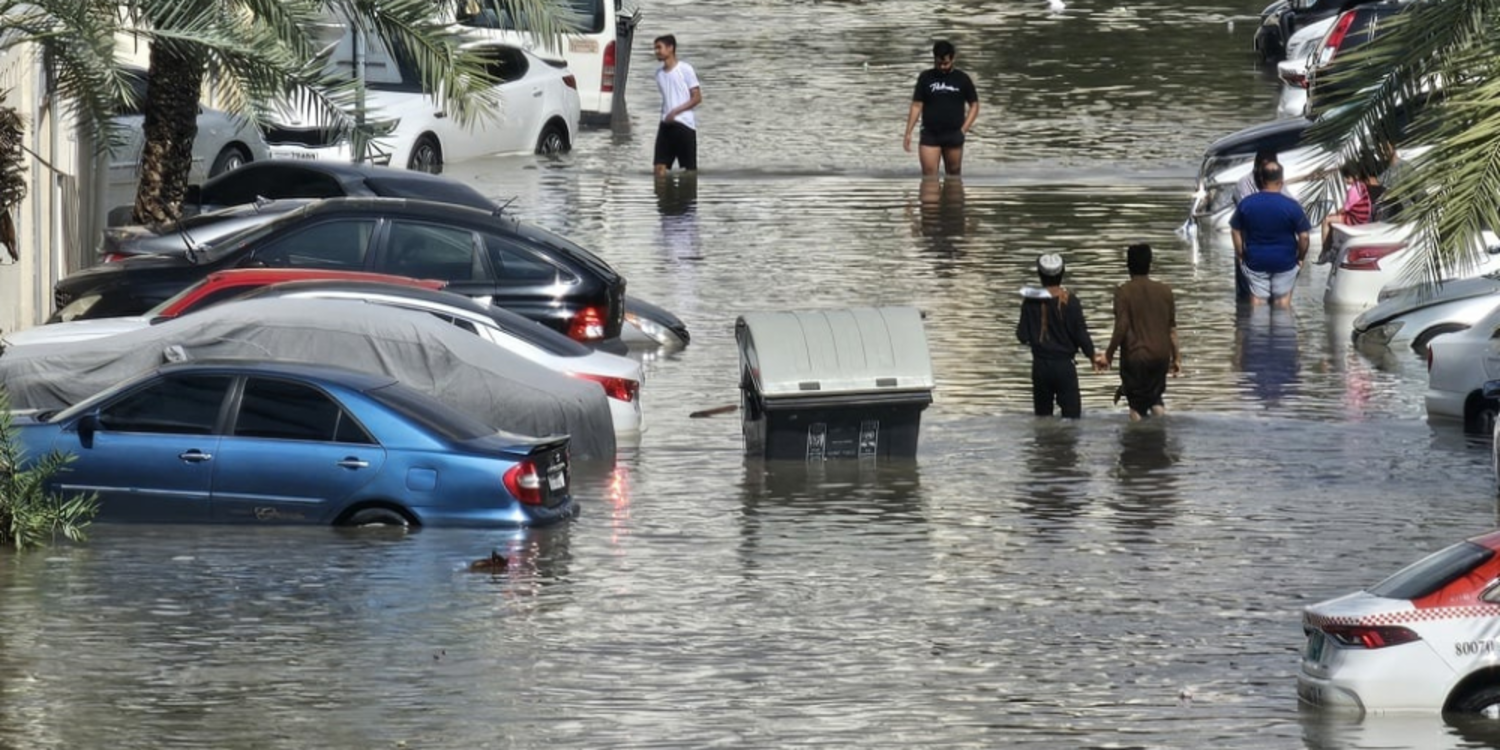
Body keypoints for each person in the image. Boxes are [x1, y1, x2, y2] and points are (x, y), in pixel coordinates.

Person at [1017, 253, 1107, 419]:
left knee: (1043, 419)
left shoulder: (1030, 302)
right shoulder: (1071, 301)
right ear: (1062, 272)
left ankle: (1045, 445)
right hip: (1065, 366)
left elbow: (1022, 335)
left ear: (1040, 275)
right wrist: (1093, 356)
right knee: (1072, 418)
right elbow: (1081, 334)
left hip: (1040, 366)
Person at [1104, 243, 1179, 421]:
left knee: (1136, 405)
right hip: (1161, 356)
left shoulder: (1123, 292)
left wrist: (1109, 354)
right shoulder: (1165, 291)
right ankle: (1161, 432)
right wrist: (1176, 358)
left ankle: (1137, 440)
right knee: (1155, 399)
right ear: (1150, 264)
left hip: (1136, 357)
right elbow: (1172, 330)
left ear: (1128, 265)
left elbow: (1121, 327)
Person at [1230, 162, 1311, 309]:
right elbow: (1304, 237)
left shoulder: (1246, 204)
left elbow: (1235, 230)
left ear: (1261, 180)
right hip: (1285, 262)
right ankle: (1282, 329)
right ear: (1281, 181)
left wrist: (1241, 254)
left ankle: (1258, 329)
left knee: (1258, 303)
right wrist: (1300, 258)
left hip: (1255, 261)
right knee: (1282, 302)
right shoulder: (1292, 206)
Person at [903, 40, 979, 177]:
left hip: (954, 134)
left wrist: (964, 129)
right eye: (939, 63)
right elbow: (916, 105)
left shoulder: (962, 79)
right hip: (930, 134)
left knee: (954, 176)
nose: (943, 67)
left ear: (953, 58)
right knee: (929, 178)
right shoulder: (925, 78)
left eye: (946, 63)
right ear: (934, 59)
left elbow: (974, 105)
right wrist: (908, 132)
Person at [653, 34, 702, 177]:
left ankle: (685, 197)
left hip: (684, 125)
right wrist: (666, 115)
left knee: (689, 171)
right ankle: (663, 198)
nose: (656, 51)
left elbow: (697, 97)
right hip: (665, 125)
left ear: (670, 48)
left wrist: (676, 111)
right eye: (655, 48)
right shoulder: (658, 74)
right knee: (659, 169)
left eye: (659, 47)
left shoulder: (685, 69)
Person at [1318, 163, 1372, 261]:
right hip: (1363, 217)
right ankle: (1330, 248)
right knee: (1332, 219)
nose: (1345, 180)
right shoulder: (1361, 185)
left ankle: (1325, 251)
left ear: (1354, 176)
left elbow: (1344, 209)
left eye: (1347, 177)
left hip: (1354, 219)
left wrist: (1334, 214)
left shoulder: (1353, 190)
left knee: (1326, 220)